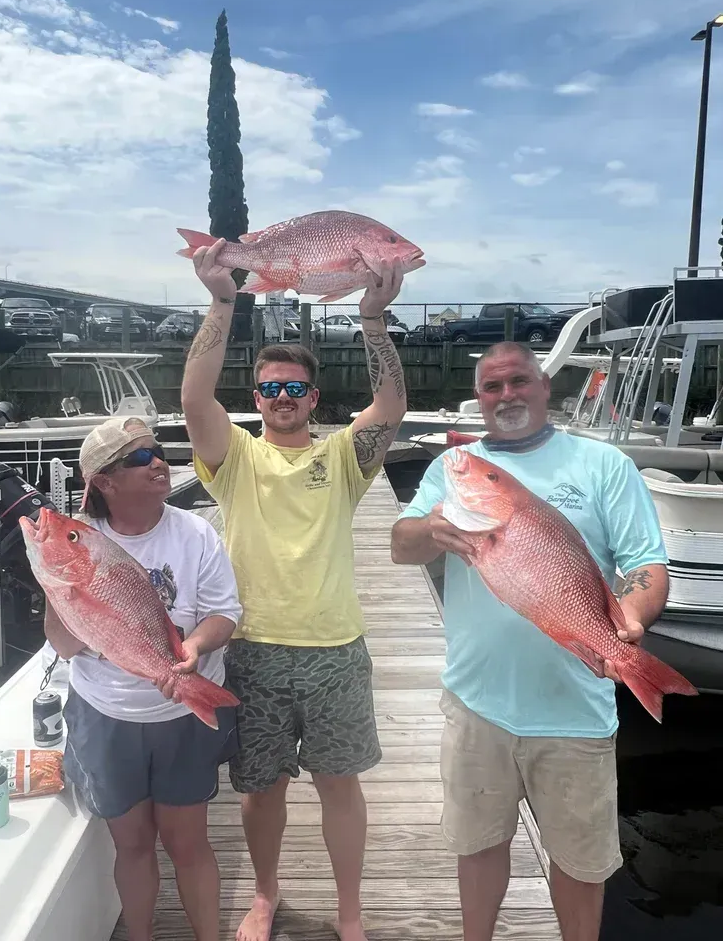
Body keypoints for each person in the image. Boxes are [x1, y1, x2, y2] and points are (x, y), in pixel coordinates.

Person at [390, 341, 669, 941]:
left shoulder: (603, 465)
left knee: (579, 862)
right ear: (479, 398)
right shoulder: (452, 469)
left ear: (546, 387)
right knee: (479, 845)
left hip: (575, 710)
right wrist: (431, 528)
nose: (506, 395)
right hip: (477, 704)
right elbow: (400, 542)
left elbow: (645, 562)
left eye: (518, 382)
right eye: (492, 387)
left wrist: (631, 621)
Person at [180, 240, 408, 941]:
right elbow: (193, 396)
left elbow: (391, 407)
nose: (283, 398)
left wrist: (373, 321)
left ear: (313, 397)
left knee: (342, 786)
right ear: (257, 399)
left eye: (295, 389)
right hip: (253, 649)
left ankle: (349, 910)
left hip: (336, 648)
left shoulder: (342, 457)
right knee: (261, 789)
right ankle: (265, 894)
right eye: (271, 389)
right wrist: (223, 302)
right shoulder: (234, 456)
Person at [44, 416, 242, 941]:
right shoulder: (81, 541)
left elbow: (225, 612)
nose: (157, 462)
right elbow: (64, 645)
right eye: (137, 458)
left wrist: (194, 650)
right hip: (106, 715)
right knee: (131, 844)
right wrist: (57, 586)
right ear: (103, 483)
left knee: (188, 843)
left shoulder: (196, 532)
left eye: (156, 452)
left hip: (180, 713)